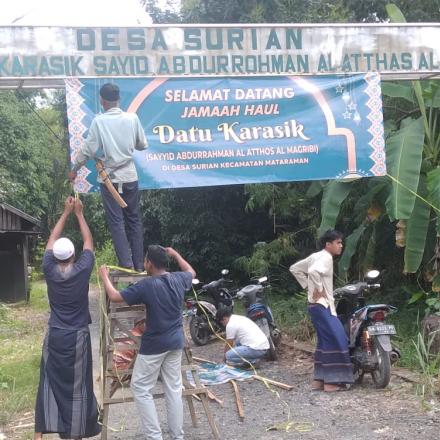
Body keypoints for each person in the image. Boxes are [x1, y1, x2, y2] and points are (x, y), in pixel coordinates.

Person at [99, 245, 195, 440]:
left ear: (149, 263)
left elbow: (115, 297)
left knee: (140, 388)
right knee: (174, 388)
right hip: (176, 342)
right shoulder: (177, 279)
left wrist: (105, 277)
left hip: (155, 345)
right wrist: (176, 253)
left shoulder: (147, 285)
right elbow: (191, 272)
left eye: (145, 260)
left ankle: (154, 436)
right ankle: (178, 436)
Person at [34, 196, 101, 439]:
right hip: (77, 338)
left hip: (54, 335)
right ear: (73, 255)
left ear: (56, 256)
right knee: (78, 386)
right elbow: (88, 242)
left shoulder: (49, 269)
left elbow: (51, 242)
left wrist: (64, 213)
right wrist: (79, 214)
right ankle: (75, 432)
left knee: (48, 381)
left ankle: (39, 434)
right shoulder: (82, 269)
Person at [69, 82, 147, 272]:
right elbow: (142, 145)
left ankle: (126, 264)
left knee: (116, 222)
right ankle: (138, 265)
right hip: (129, 176)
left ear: (102, 101)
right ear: (118, 99)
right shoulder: (132, 118)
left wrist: (75, 169)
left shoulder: (99, 121)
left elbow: (88, 150)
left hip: (109, 179)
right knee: (134, 220)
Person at [289, 229, 354, 392]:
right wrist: (318, 289)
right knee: (338, 339)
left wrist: (308, 287)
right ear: (328, 244)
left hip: (315, 306)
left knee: (325, 341)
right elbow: (313, 271)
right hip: (322, 305)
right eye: (338, 243)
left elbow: (294, 268)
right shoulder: (325, 257)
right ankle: (332, 383)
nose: (341, 246)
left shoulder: (315, 256)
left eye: (341, 242)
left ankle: (319, 380)